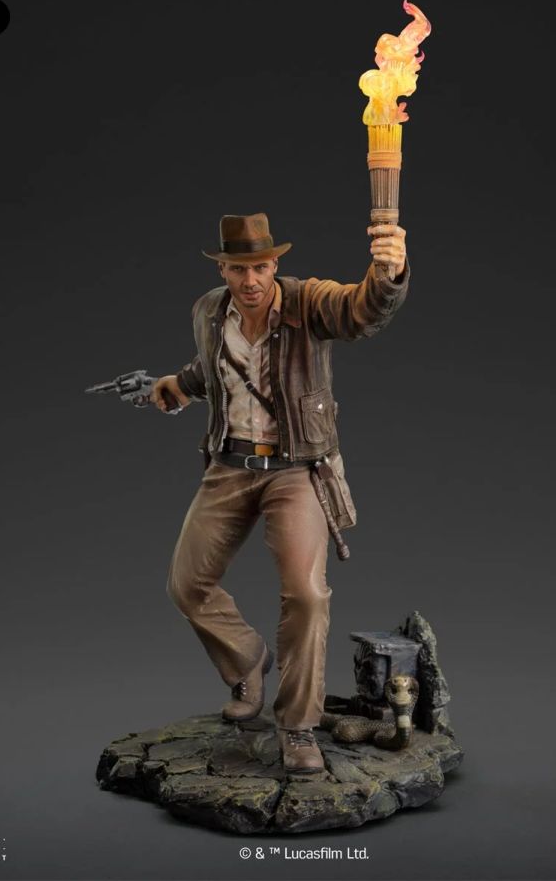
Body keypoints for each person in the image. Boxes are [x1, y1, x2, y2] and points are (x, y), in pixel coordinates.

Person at [151, 212, 408, 772]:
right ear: (222, 269)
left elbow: (362, 310)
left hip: (294, 467)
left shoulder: (307, 302)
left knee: (307, 595)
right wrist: (178, 385)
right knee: (186, 585)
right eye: (238, 269)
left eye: (261, 267)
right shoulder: (208, 310)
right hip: (228, 465)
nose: (250, 280)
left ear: (275, 265)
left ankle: (298, 726)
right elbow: (213, 367)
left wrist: (387, 273)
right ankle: (247, 660)